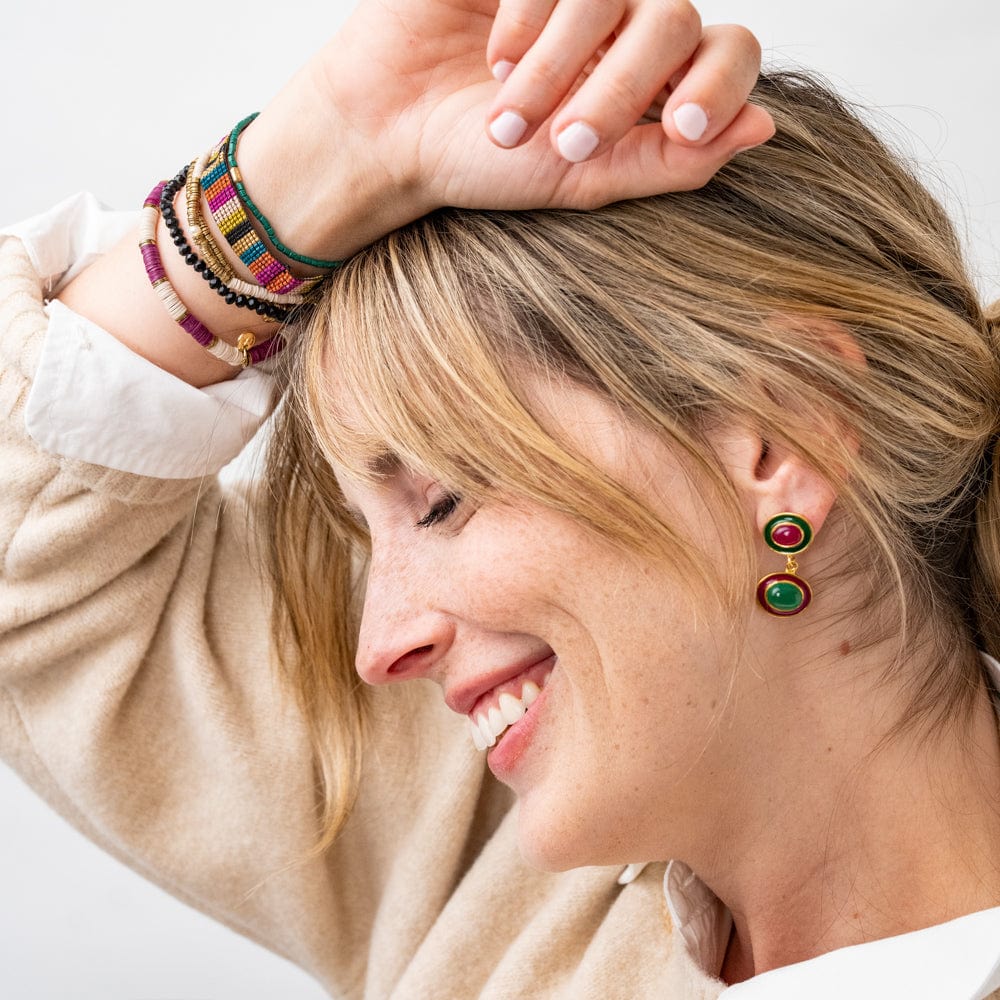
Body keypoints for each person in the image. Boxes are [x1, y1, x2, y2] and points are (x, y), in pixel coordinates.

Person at [2, 3, 998, 1000]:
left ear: (779, 438)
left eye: (440, 500)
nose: (377, 647)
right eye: (368, 531)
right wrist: (321, 156)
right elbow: (30, 586)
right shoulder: (485, 859)